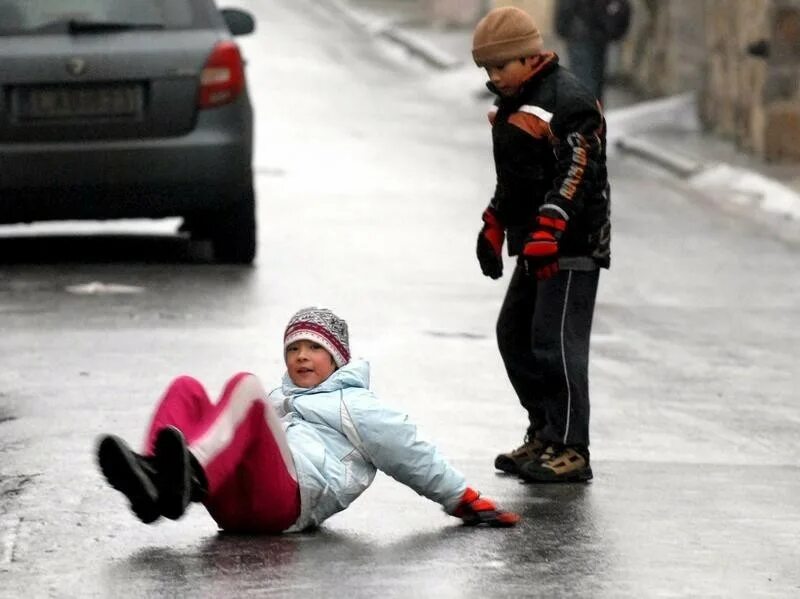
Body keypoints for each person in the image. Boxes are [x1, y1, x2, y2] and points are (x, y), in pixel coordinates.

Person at [96, 307, 520, 532]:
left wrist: (461, 497)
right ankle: (154, 481)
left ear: (337, 358)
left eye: (314, 348)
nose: (301, 356)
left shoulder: (355, 405)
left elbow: (410, 452)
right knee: (187, 386)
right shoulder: (280, 400)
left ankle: (186, 474)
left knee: (245, 388)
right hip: (230, 510)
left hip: (286, 504)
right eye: (293, 348)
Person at [471, 7, 610, 483]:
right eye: (486, 69)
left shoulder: (568, 101)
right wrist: (494, 222)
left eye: (499, 67)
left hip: (571, 247)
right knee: (515, 335)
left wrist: (551, 230)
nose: (493, 77)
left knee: (556, 344)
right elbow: (516, 179)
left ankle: (572, 446)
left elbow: (578, 173)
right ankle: (545, 433)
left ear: (529, 58)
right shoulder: (515, 101)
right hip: (534, 246)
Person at [554, 0, 632, 103]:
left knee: (585, 83)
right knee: (590, 84)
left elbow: (566, 7)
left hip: (582, 34)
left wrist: (562, 27)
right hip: (593, 34)